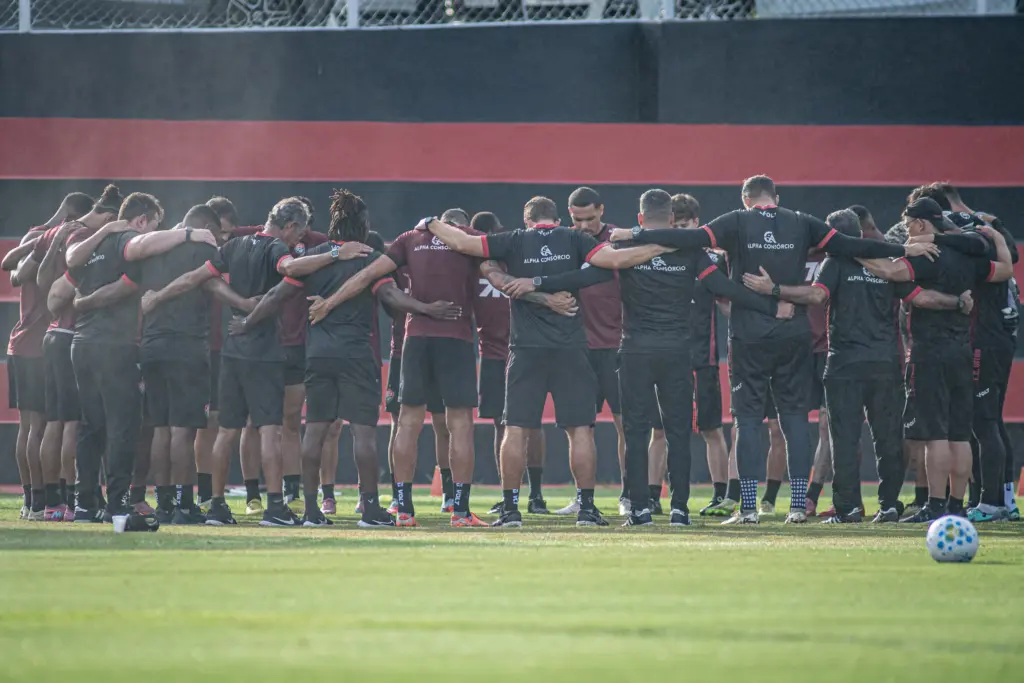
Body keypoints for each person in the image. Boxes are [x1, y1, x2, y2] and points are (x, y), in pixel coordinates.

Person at [611, 175, 934, 524]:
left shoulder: (736, 220)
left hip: (748, 336)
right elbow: (851, 245)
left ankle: (748, 508)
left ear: (746, 199)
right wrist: (902, 249)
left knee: (747, 421)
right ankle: (797, 506)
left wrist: (636, 235)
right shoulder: (801, 222)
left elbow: (691, 239)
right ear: (775, 198)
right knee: (794, 419)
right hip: (792, 333)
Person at [420, 196, 673, 528]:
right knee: (579, 430)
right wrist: (663, 248)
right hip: (570, 347)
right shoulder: (576, 238)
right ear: (557, 219)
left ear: (528, 220)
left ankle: (511, 510)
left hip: (525, 349)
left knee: (515, 429)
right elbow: (616, 260)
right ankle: (585, 509)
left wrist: (429, 222)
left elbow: (463, 242)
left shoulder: (513, 240)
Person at [553, 189, 793, 526]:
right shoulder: (690, 253)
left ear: (640, 220)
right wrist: (773, 305)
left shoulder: (624, 251)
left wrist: (534, 284)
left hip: (635, 352)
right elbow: (725, 288)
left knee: (636, 432)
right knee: (678, 432)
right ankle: (679, 509)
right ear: (669, 221)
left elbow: (584, 277)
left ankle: (639, 510)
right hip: (678, 353)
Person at [143, 197, 369, 527]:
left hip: (233, 349)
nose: (297, 242)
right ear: (289, 226)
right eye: (298, 234)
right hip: (263, 351)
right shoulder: (276, 249)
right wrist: (336, 253)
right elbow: (291, 268)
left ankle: (217, 507)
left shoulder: (234, 247)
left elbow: (198, 278)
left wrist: (158, 297)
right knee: (269, 430)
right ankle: (275, 507)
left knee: (227, 432)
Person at [743, 209, 967, 522]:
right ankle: (889, 505)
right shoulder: (886, 266)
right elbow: (920, 298)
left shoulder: (834, 263)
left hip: (844, 364)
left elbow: (816, 295)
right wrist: (957, 302)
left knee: (843, 439)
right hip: (885, 363)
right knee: (888, 438)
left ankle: (847, 508)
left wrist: (775, 290)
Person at [305, 208, 481, 528]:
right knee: (460, 425)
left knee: (408, 423)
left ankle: (403, 509)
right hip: (456, 338)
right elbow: (495, 275)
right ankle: (460, 511)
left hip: (414, 340)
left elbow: (366, 277)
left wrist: (328, 304)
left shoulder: (408, 240)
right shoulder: (469, 239)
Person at [858, 197, 1013, 523]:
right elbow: (1006, 270)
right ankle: (958, 507)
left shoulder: (928, 256)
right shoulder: (969, 258)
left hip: (928, 355)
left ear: (922, 224)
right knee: (960, 435)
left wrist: (853, 252)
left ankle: (936, 506)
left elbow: (887, 270)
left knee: (935, 438)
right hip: (962, 353)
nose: (908, 231)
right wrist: (997, 238)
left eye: (910, 224)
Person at [66, 192, 201, 529]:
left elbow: (70, 261)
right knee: (123, 428)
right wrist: (187, 234)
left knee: (91, 426)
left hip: (82, 343)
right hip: (114, 345)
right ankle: (118, 508)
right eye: (153, 226)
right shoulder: (127, 239)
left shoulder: (91, 243)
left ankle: (84, 506)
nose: (153, 233)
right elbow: (134, 263)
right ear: (141, 221)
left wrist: (85, 302)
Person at [137, 205, 235, 525]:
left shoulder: (153, 245)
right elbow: (205, 281)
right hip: (187, 347)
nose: (220, 239)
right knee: (183, 430)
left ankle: (164, 504)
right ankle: (183, 504)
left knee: (160, 428)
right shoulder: (204, 247)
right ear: (207, 227)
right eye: (218, 232)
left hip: (152, 345)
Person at [931, 183, 1019, 522]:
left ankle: (991, 502)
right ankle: (1006, 501)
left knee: (982, 422)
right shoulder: (988, 222)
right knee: (991, 420)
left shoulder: (973, 231)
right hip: (998, 335)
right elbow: (1013, 255)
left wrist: (947, 233)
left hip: (983, 336)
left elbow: (1008, 262)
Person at [4, 192, 94, 520]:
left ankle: (34, 502)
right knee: (48, 426)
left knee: (30, 428)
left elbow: (14, 273)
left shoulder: (38, 236)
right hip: (43, 343)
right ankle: (48, 501)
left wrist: (41, 240)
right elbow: (12, 270)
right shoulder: (62, 239)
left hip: (21, 340)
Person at [471, 211, 554, 515]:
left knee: (528, 424)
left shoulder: (517, 259)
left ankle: (536, 494)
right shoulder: (475, 268)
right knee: (501, 425)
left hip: (524, 350)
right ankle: (511, 495)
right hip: (493, 355)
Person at [565, 187, 629, 515]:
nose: (584, 225)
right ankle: (582, 497)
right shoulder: (565, 243)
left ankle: (628, 495)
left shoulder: (621, 242)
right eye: (577, 219)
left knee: (625, 425)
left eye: (590, 218)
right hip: (578, 351)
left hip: (617, 349)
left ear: (601, 211)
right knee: (580, 428)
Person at [670, 193, 732, 518]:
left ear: (697, 223)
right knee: (661, 430)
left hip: (703, 358)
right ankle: (654, 497)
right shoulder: (660, 256)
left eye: (686, 225)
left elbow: (726, 305)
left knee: (711, 429)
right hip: (667, 357)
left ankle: (721, 495)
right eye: (675, 225)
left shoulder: (715, 260)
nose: (681, 231)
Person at [279, 196, 328, 507]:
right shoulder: (268, 240)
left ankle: (326, 490)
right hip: (281, 343)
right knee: (285, 419)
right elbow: (229, 231)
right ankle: (287, 486)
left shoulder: (321, 244)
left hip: (315, 343)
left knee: (325, 422)